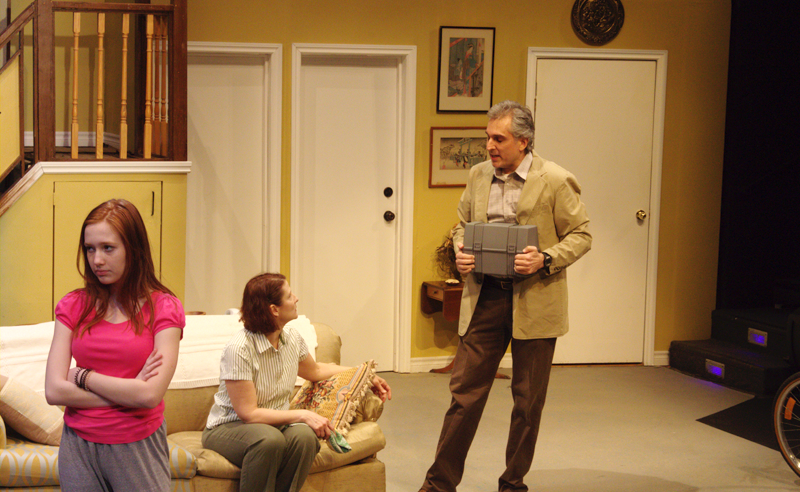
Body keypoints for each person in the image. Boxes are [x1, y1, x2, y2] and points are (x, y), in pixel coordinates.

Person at [419, 100, 592, 492]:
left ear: (524, 142)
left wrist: (545, 258)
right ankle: (438, 484)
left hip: (534, 302)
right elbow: (462, 224)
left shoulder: (556, 179)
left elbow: (582, 235)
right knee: (464, 397)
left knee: (527, 404)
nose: (490, 146)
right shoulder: (479, 175)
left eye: (499, 139)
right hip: (484, 300)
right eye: (488, 138)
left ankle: (512, 484)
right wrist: (461, 251)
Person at [202, 272, 392, 492]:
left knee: (304, 437)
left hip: (274, 424)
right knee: (269, 440)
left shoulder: (291, 338)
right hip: (230, 427)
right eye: (290, 295)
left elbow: (317, 370)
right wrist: (303, 414)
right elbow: (250, 414)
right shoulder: (240, 349)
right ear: (274, 309)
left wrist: (364, 375)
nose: (296, 298)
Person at [44, 198, 185, 492]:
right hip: (78, 444)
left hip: (137, 443)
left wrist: (84, 377)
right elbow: (54, 390)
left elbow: (149, 395)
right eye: (90, 249)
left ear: (133, 250)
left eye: (108, 248)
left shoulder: (164, 308)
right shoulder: (73, 305)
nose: (96, 260)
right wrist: (129, 391)